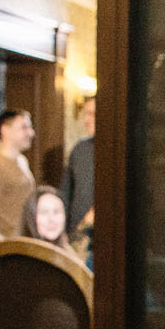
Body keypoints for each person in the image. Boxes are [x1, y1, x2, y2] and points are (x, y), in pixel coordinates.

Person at [0, 107, 34, 247]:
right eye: (24, 128)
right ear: (5, 130)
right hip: (9, 246)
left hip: (26, 243)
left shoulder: (22, 161)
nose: (31, 133)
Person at [61, 94, 96, 238]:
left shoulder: (120, 151)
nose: (86, 120)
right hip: (77, 234)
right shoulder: (80, 149)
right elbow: (66, 192)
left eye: (92, 114)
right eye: (85, 114)